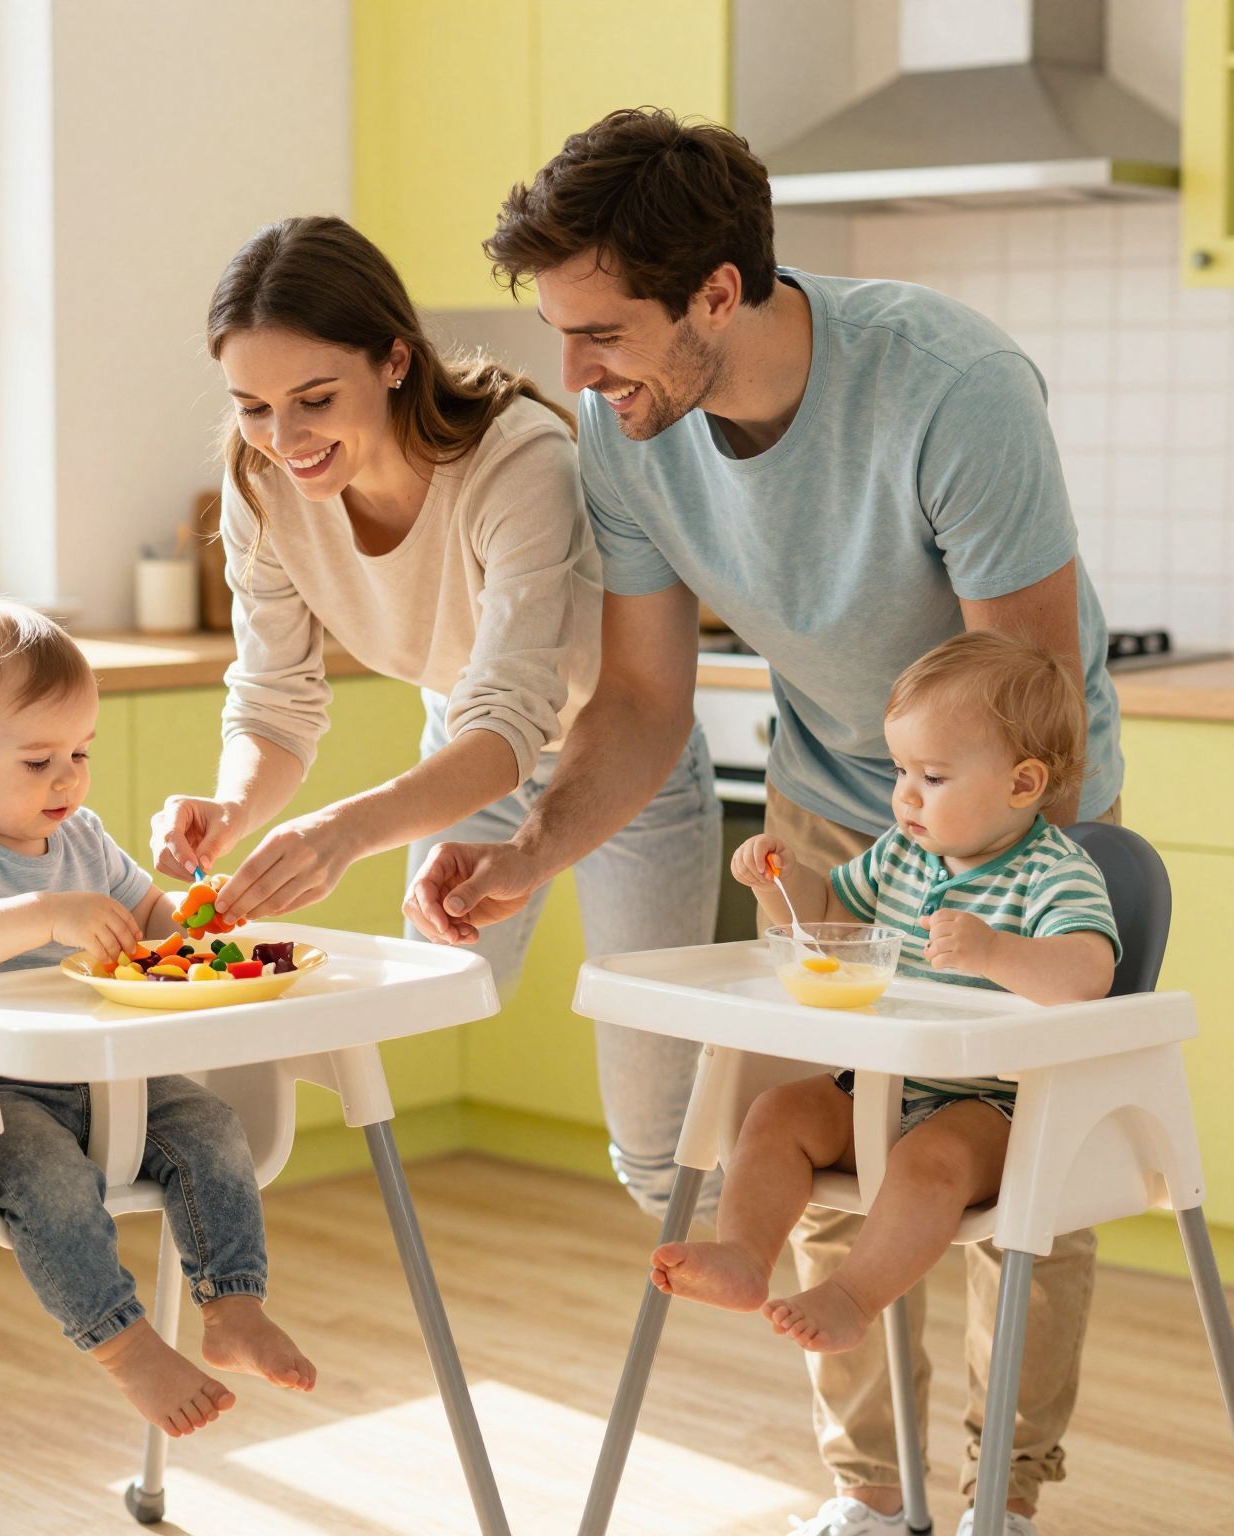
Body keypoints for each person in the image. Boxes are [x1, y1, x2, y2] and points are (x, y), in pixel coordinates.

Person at [406, 110, 1126, 1536]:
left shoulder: (948, 386)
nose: (577, 374)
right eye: (561, 334)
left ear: (718, 294)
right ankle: (869, 1491)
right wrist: (530, 849)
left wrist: (959, 890)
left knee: (1014, 1160)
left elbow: (1026, 698)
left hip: (1018, 817)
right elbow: (642, 704)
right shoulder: (632, 433)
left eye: (603, 331)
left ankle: (1002, 1495)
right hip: (825, 804)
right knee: (822, 1154)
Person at [148, 215, 722, 1214]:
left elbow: (510, 715)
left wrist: (345, 830)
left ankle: (783, 1266)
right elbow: (275, 700)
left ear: (395, 361)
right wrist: (234, 805)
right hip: (460, 759)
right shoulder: (262, 489)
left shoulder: (516, 464)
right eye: (252, 407)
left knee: (659, 1150)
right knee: (420, 1004)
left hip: (617, 764)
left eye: (313, 399)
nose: (284, 440)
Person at [0, 600, 314, 1441]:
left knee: (213, 1128)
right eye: (40, 759)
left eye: (80, 753)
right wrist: (47, 915)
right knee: (48, 1184)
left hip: (108, 1077)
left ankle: (234, 1306)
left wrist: (197, 916)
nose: (68, 779)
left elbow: (149, 919)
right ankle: (126, 1348)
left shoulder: (83, 839)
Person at [654, 632, 1118, 1363]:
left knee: (928, 1161)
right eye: (900, 769)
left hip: (994, 1108)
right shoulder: (904, 854)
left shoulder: (1055, 873)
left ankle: (850, 1297)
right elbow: (833, 925)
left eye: (932, 776)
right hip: (877, 1088)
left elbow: (1089, 973)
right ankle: (744, 1253)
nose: (905, 794)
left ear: (1022, 785)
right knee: (776, 1113)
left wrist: (997, 952)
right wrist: (782, 881)